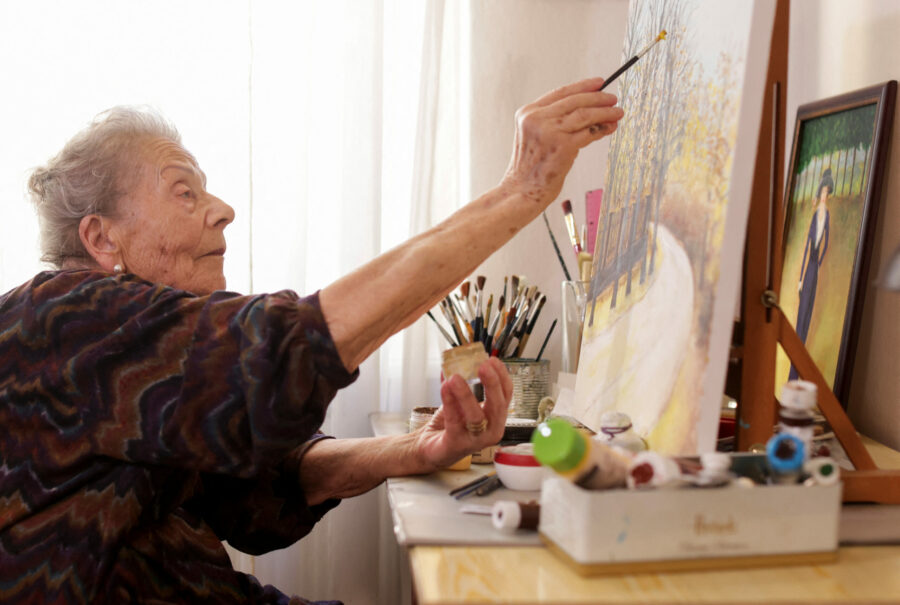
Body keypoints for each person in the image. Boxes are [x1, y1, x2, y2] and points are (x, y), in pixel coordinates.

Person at [0, 77, 623, 604]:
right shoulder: (59, 320)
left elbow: (253, 494)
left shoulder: (121, 356)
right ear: (101, 239)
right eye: (184, 192)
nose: (222, 210)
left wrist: (414, 450)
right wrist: (519, 192)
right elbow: (281, 349)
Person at [789, 167, 832, 381]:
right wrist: (799, 279)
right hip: (808, 270)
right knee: (801, 314)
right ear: (819, 193)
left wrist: (820, 261)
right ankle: (792, 372)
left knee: (809, 314)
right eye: (823, 192)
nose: (825, 195)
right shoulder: (816, 215)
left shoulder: (827, 216)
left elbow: (827, 242)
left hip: (815, 268)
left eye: (827, 192)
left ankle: (798, 370)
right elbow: (808, 246)